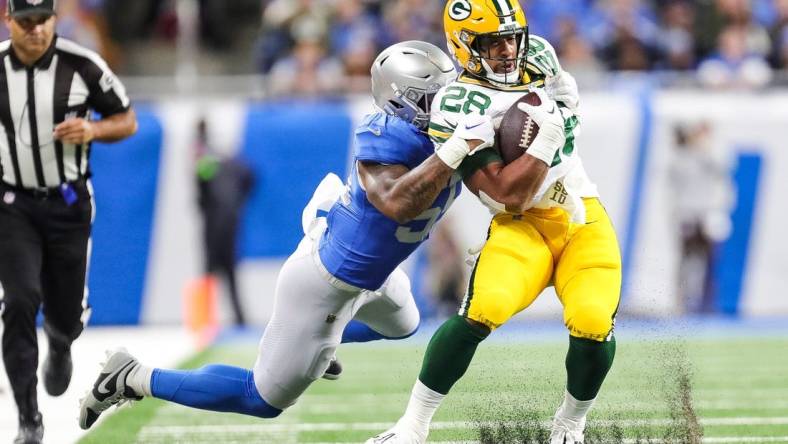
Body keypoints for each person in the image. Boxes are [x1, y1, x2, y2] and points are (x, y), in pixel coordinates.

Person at [78, 40, 495, 429]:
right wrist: (456, 149)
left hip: (371, 266)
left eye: (448, 92)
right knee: (261, 399)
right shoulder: (386, 133)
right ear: (399, 101)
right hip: (331, 279)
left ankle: (309, 338)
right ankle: (132, 376)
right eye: (432, 97)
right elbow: (399, 203)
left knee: (405, 324)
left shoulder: (439, 134)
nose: (446, 105)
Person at [368, 1, 621, 443]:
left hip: (580, 212)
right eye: (492, 41)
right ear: (464, 45)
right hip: (520, 222)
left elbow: (565, 110)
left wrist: (565, 110)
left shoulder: (540, 54)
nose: (507, 50)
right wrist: (546, 138)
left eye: (511, 38)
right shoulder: (457, 102)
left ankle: (570, 426)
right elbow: (506, 194)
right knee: (484, 308)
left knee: (593, 318)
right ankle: (413, 425)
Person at [0, 1, 138, 443]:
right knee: (19, 301)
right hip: (11, 203)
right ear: (9, 21)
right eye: (25, 22)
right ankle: (28, 419)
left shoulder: (83, 65)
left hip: (68, 203)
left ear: (55, 20)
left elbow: (127, 119)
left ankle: (60, 343)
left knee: (65, 316)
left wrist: (94, 130)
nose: (36, 30)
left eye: (43, 20)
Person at [194, 118, 255, 326]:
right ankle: (229, 319)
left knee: (217, 274)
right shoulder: (228, 165)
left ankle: (211, 320)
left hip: (218, 229)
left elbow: (201, 193)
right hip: (225, 227)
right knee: (222, 275)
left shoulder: (211, 164)